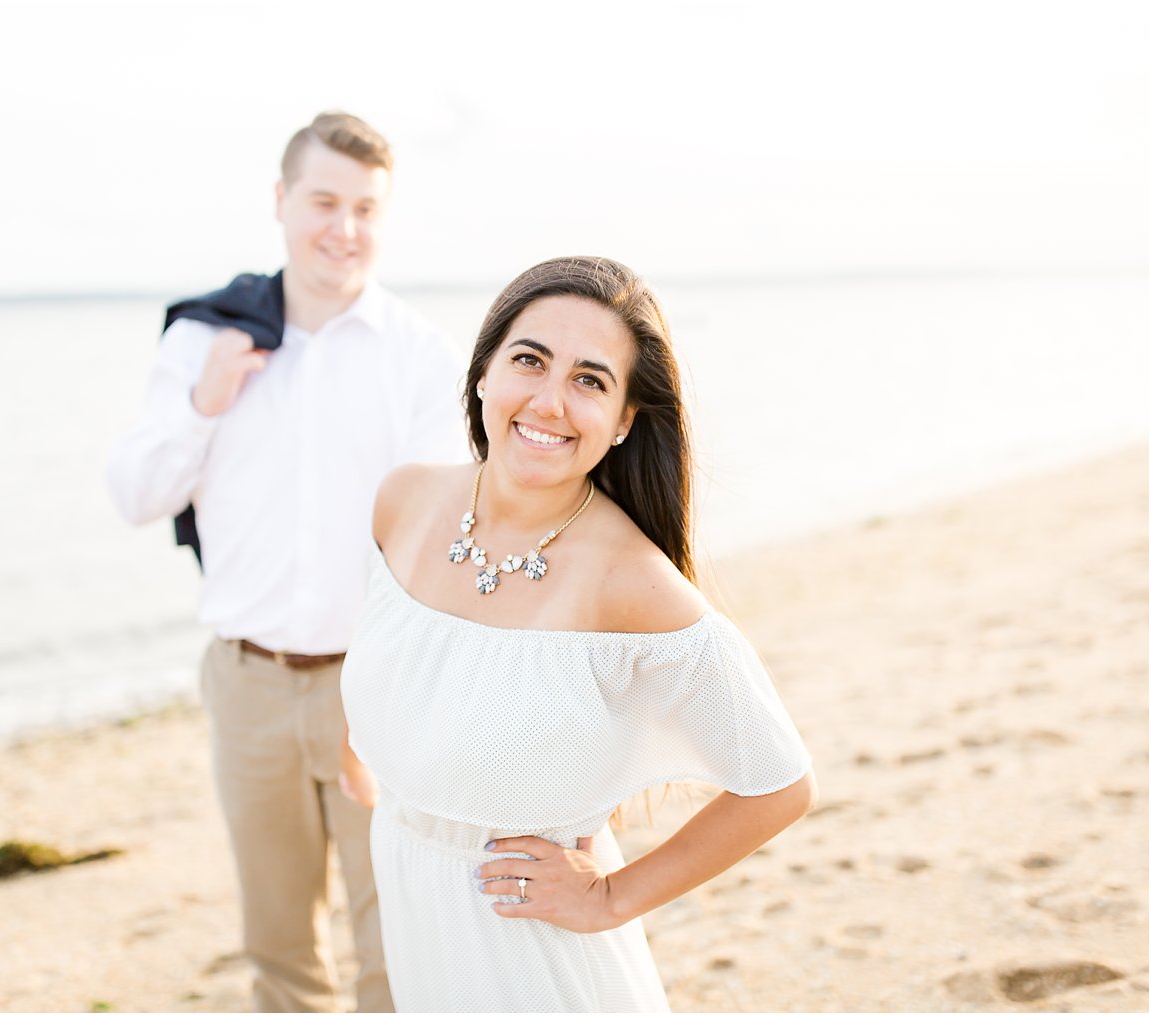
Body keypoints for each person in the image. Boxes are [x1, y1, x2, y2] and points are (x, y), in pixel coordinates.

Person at [338, 255, 816, 1012]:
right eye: (530, 361)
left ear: (624, 420)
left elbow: (779, 784)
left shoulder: (633, 582)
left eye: (590, 380)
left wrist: (609, 899)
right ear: (485, 374)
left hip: (539, 963)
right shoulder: (402, 502)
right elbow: (399, 660)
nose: (550, 402)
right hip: (416, 917)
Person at [107, 111, 467, 1013]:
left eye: (365, 208)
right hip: (248, 685)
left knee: (397, 945)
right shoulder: (204, 341)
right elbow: (135, 495)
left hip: (378, 689)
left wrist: (398, 678)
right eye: (323, 202)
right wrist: (205, 401)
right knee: (278, 949)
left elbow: (436, 537)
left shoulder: (420, 356)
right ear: (280, 201)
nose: (343, 228)